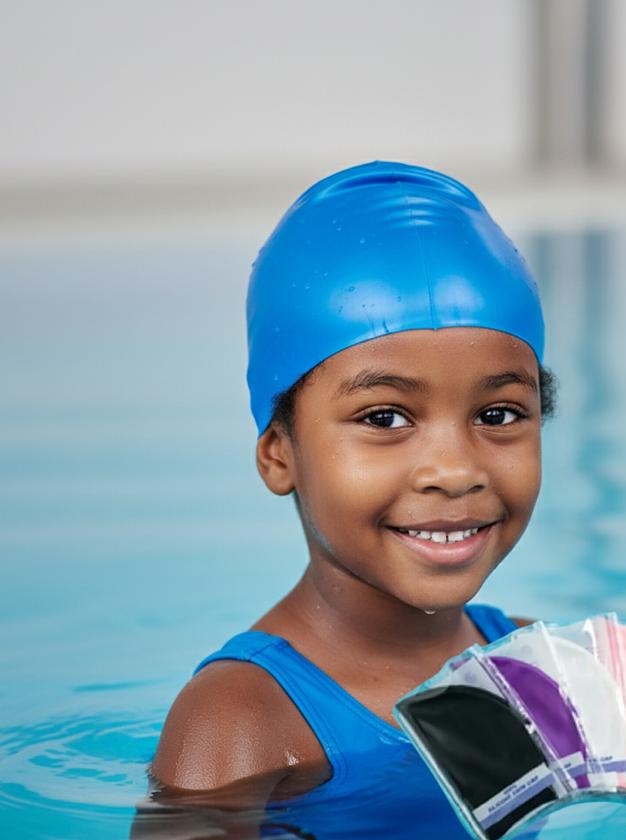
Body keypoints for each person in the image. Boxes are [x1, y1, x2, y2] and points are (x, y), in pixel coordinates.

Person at [131, 159, 557, 840]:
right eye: (386, 418)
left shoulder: (541, 668)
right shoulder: (245, 718)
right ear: (280, 454)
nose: (454, 470)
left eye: (499, 415)